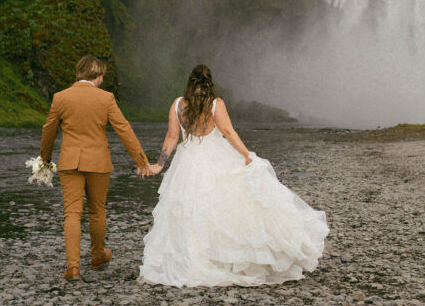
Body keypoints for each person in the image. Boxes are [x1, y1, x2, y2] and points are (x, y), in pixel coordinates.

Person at [138, 65, 328, 287]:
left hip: (187, 161)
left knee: (189, 208)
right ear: (210, 83)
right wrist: (247, 156)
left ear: (189, 83)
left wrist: (160, 165)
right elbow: (228, 132)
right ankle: (222, 257)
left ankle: (196, 258)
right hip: (215, 157)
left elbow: (171, 137)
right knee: (224, 206)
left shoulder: (178, 104)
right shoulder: (215, 104)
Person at [41, 55, 150, 281]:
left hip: (70, 162)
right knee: (97, 211)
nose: (102, 81)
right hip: (98, 162)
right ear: (96, 75)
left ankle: (72, 267)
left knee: (71, 213)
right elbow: (124, 129)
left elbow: (49, 130)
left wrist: (46, 159)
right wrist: (141, 161)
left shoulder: (60, 97)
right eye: (102, 76)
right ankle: (98, 256)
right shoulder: (106, 98)